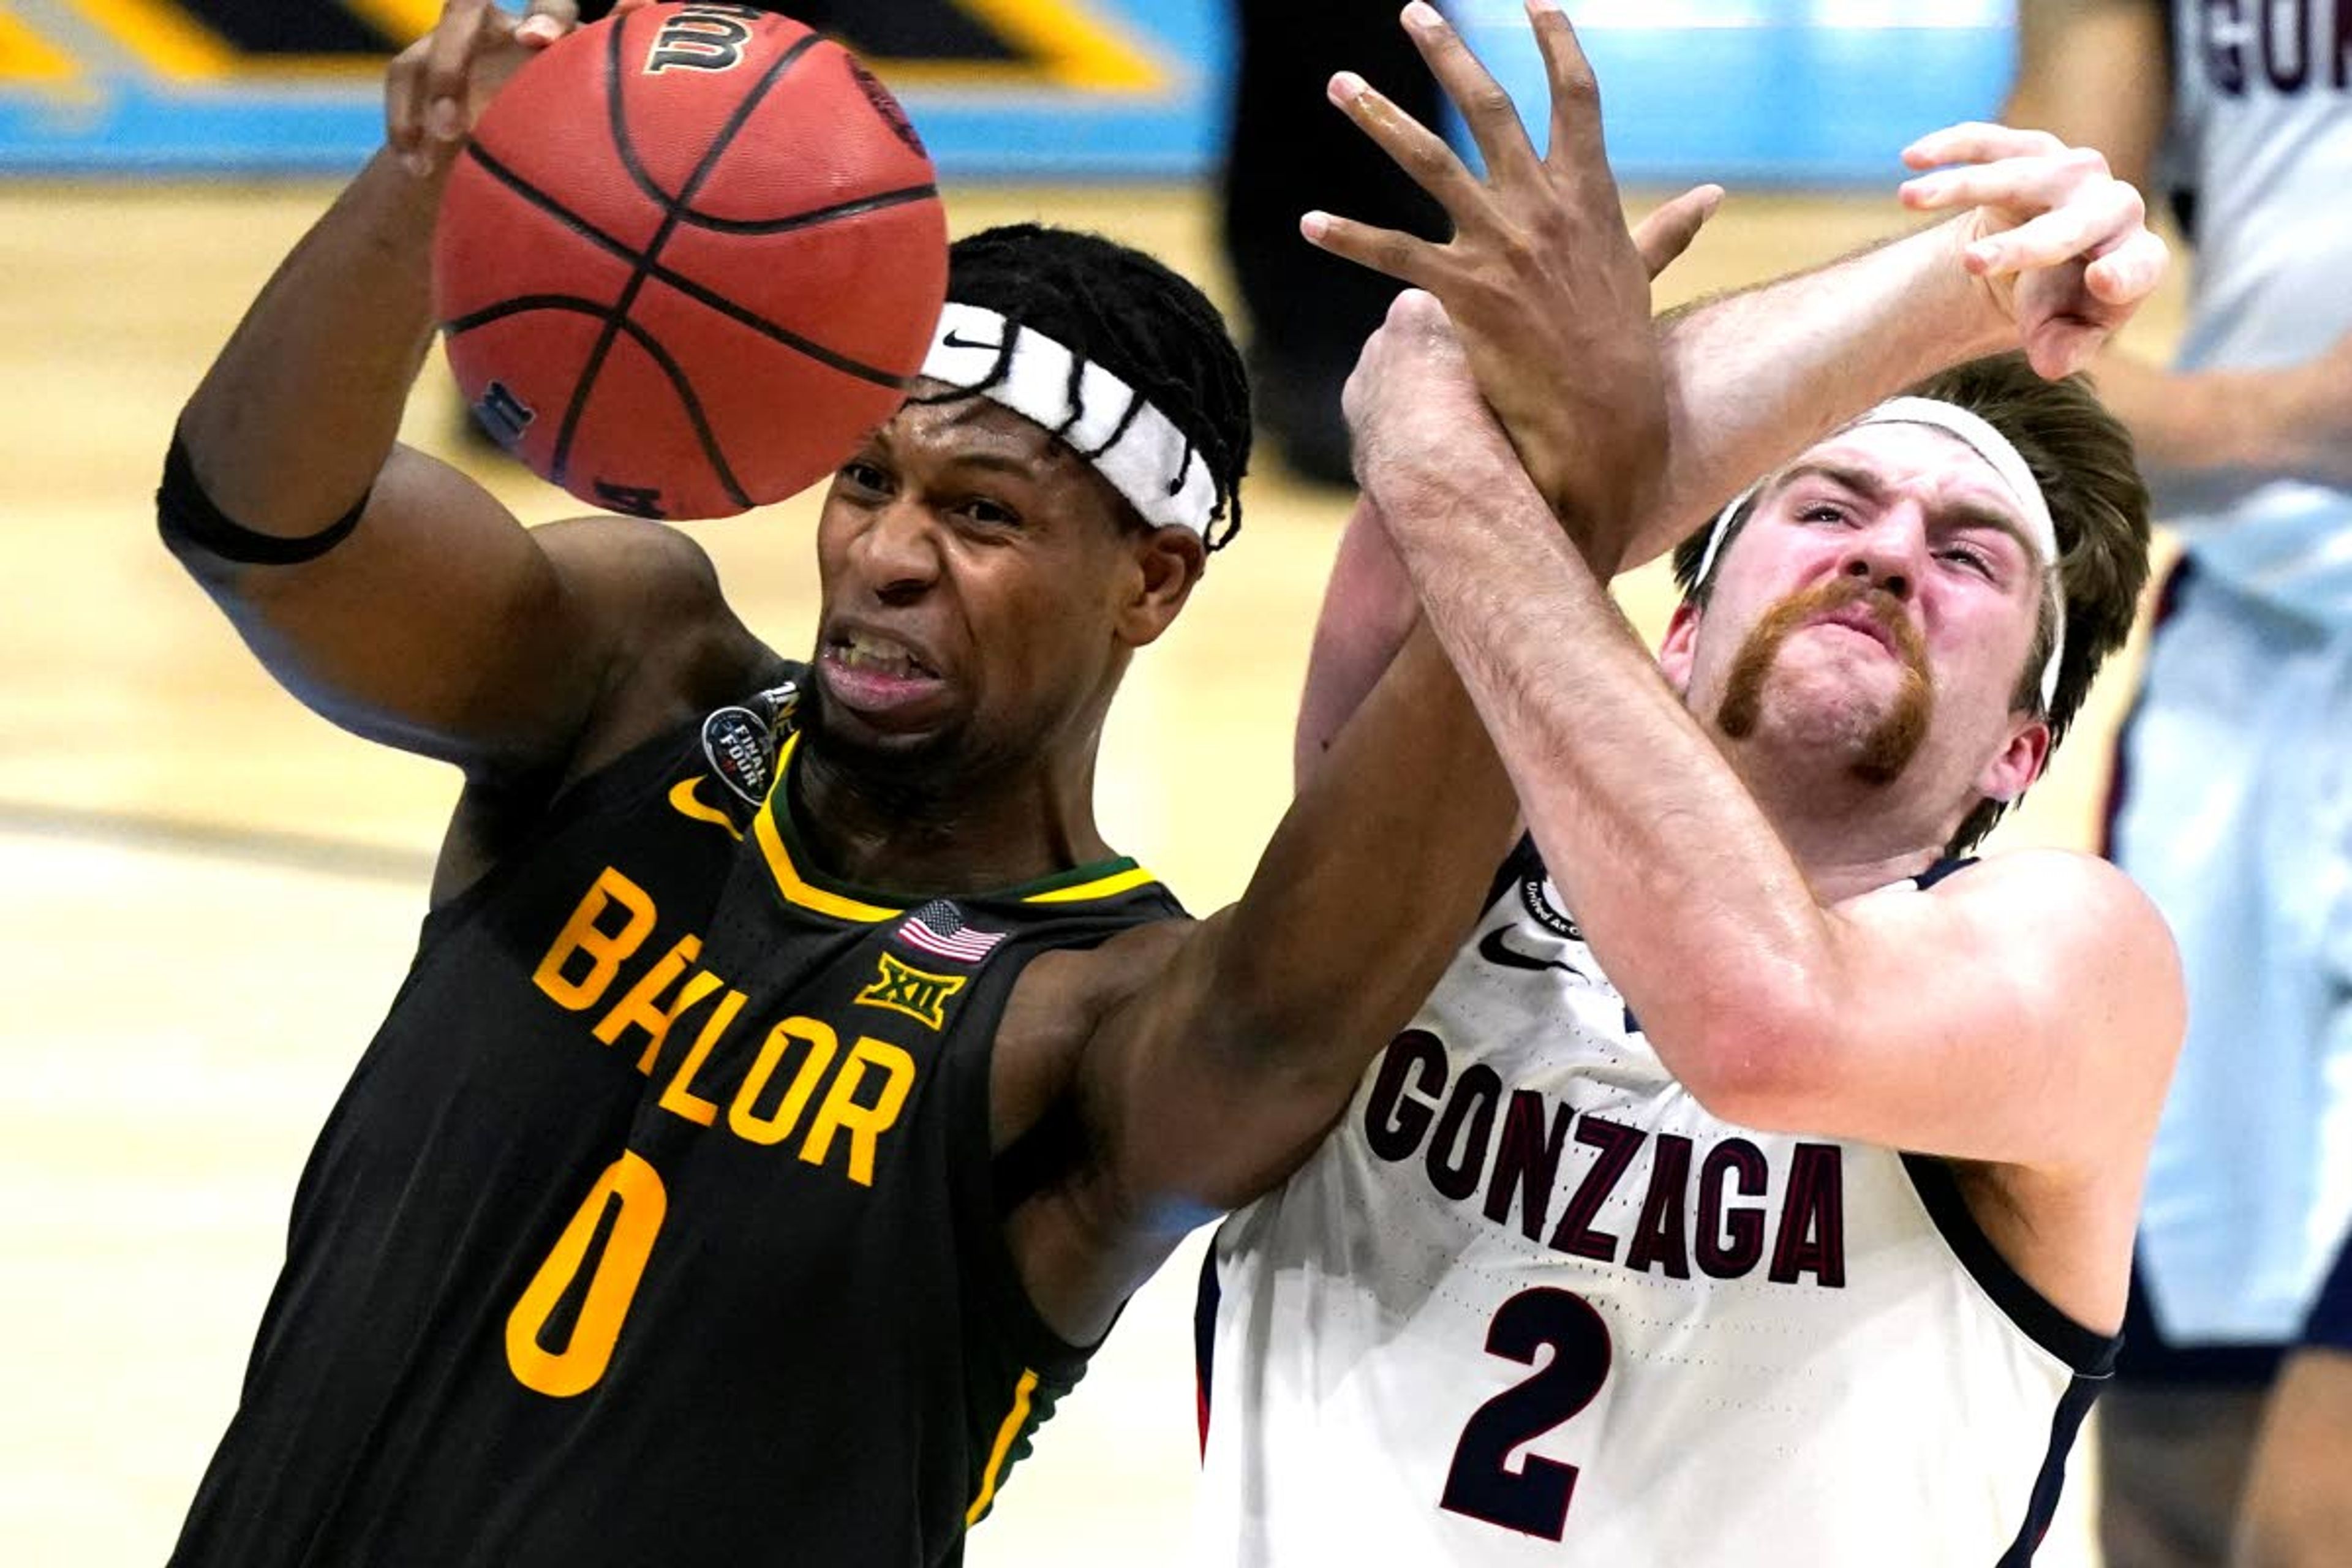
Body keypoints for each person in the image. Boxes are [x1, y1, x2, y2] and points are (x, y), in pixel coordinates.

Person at [157, 2, 2158, 1562]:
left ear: (1151, 579)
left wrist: (1576, 432)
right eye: (870, 481)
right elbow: (265, 531)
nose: (889, 550)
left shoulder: (1119, 1019)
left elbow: (1518, 557)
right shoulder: (629, 680)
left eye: (985, 509)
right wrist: (416, 191)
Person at [1195, 9, 2184, 1564]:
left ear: (2022, 748)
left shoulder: (2067, 961)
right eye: (1830, 503)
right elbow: (1474, 495)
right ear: (1671, 626)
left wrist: (1464, 465)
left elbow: (1766, 1024)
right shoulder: (1429, 870)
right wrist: (1958, 288)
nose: (1887, 548)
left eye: (1971, 552)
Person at [2002, 6, 2352, 1562]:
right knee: (2167, 1418)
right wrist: (2285, 418)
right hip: (2248, 686)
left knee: (2316, 1495)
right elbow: (1989, 335)